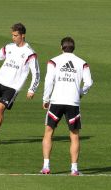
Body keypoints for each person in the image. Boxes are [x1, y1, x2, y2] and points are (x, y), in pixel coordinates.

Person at [40, 37, 93, 175]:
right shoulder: (82, 63)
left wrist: (46, 98)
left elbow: (48, 81)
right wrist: (80, 93)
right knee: (74, 136)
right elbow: (89, 83)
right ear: (73, 47)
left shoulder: (53, 61)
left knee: (48, 132)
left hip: (56, 101)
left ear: (61, 47)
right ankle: (74, 169)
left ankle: (46, 166)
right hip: (73, 102)